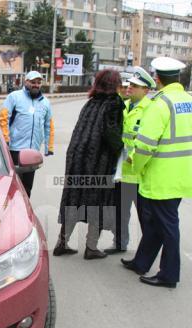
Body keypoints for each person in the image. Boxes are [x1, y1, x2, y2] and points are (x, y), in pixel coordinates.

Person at [121, 57, 192, 288]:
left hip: (161, 177)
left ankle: (169, 274)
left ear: (157, 79)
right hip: (182, 175)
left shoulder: (161, 104)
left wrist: (136, 167)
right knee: (156, 223)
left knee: (167, 227)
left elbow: (146, 144)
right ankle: (141, 262)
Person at [53, 69, 124, 259]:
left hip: (77, 158)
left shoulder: (90, 102)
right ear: (114, 84)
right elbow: (111, 133)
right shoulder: (114, 103)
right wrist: (122, 147)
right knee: (99, 202)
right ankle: (91, 247)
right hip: (98, 161)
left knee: (73, 199)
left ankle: (62, 243)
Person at [107, 66, 155, 255]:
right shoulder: (124, 106)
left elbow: (149, 141)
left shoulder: (150, 110)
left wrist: (133, 157)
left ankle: (147, 250)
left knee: (146, 216)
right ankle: (119, 243)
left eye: (134, 86)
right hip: (122, 171)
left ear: (146, 90)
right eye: (129, 85)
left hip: (140, 173)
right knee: (120, 211)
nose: (129, 89)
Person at [0, 70, 54, 197]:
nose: (36, 85)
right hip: (14, 149)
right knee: (12, 184)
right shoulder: (14, 97)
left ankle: (25, 212)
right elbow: (4, 118)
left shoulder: (45, 102)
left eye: (38, 82)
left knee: (27, 186)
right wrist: (5, 139)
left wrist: (48, 147)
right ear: (26, 82)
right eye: (33, 82)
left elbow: (48, 125)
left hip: (33, 151)